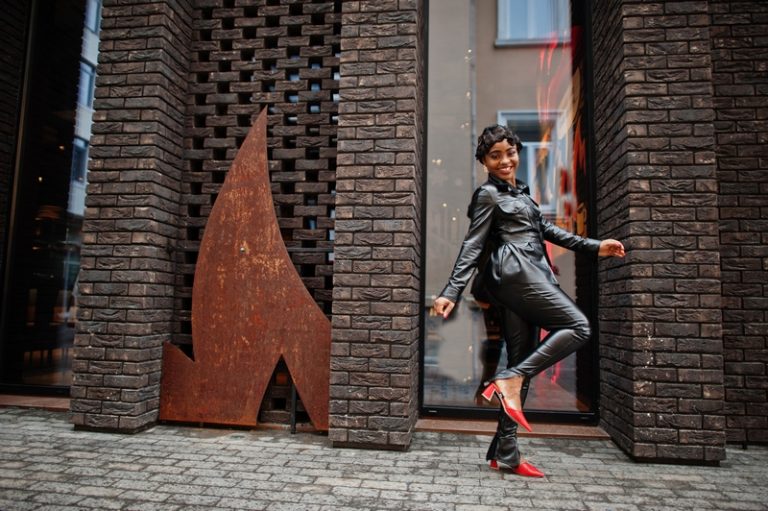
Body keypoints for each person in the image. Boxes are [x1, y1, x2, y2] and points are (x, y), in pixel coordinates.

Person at [432, 124, 625, 478]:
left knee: (522, 362)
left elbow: (548, 231)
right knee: (578, 326)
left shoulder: (521, 194)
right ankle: (509, 379)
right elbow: (473, 244)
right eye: (495, 156)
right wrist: (451, 291)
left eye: (510, 152)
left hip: (526, 275)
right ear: (484, 162)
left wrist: (596, 246)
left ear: (517, 153)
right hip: (518, 274)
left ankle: (506, 451)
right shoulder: (488, 194)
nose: (505, 160)